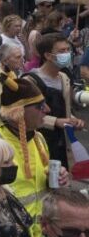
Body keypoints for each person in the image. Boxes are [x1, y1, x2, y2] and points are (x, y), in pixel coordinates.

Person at [0, 76, 72, 237]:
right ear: (18, 111)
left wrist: (57, 179)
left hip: (41, 235)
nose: (47, 110)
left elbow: (43, 184)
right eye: (40, 106)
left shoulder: (38, 138)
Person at [27, 33, 85, 164]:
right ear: (47, 56)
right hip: (37, 140)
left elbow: (65, 109)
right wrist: (55, 121)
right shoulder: (31, 80)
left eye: (68, 50)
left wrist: (73, 120)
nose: (67, 54)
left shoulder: (64, 78)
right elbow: (27, 115)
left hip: (60, 142)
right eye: (61, 51)